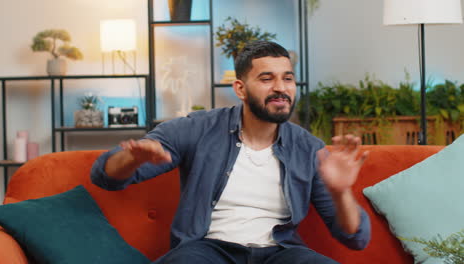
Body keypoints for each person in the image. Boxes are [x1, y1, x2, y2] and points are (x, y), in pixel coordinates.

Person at [91, 41, 371, 264]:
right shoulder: (198, 128)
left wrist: (341, 192)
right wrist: (133, 158)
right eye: (266, 78)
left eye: (287, 78)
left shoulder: (308, 148)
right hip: (207, 250)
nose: (280, 88)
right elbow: (105, 175)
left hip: (280, 252)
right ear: (240, 88)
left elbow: (354, 238)